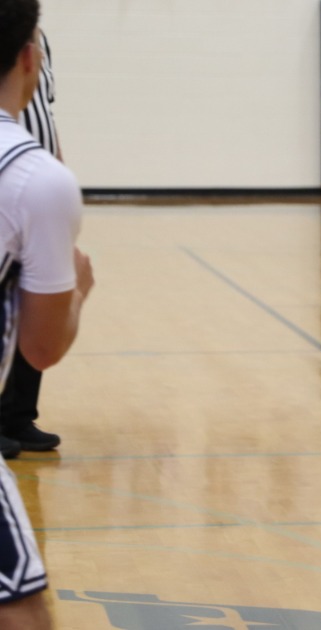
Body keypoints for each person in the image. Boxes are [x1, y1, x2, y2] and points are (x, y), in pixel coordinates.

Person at [0, 0, 94, 625]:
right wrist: (77, 290)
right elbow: (42, 347)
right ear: (30, 57)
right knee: (25, 612)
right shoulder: (37, 181)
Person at [1, 25, 61, 460]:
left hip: (38, 187)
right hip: (8, 183)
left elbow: (48, 113)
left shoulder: (42, 40)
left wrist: (60, 170)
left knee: (34, 299)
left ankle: (16, 415)